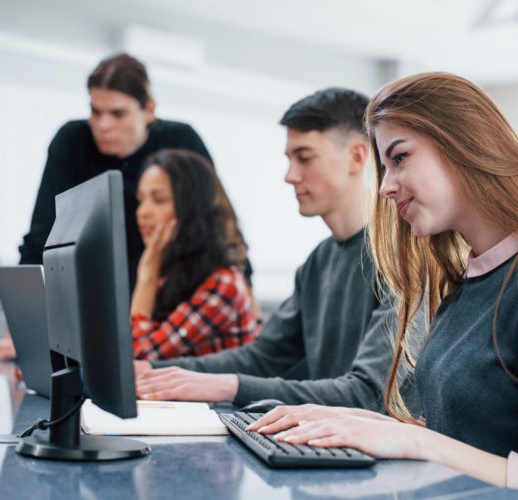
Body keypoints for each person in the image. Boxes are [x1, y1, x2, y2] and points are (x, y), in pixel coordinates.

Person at [247, 72, 518, 493]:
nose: (384, 187)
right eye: (384, 167)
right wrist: (363, 423)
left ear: (463, 145)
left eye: (399, 158)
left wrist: (415, 441)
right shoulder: (464, 285)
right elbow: (465, 438)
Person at [134, 88, 420, 412]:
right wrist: (152, 372)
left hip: (383, 458)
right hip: (331, 444)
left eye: (305, 158)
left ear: (356, 156)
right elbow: (262, 357)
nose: (290, 176)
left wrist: (228, 385)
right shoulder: (318, 262)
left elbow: (367, 395)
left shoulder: (403, 256)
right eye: (289, 160)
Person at [0, 52, 249, 362]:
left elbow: (219, 220)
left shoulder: (181, 142)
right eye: (95, 112)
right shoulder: (73, 140)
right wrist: (23, 331)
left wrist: (246, 298)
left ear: (148, 109)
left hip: (167, 295)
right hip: (101, 299)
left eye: (118, 114)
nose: (103, 125)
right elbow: (42, 235)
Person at [131, 149, 259, 360]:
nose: (142, 212)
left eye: (159, 200)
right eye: (141, 200)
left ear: (190, 208)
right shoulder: (174, 274)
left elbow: (140, 356)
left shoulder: (222, 283)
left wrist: (147, 274)